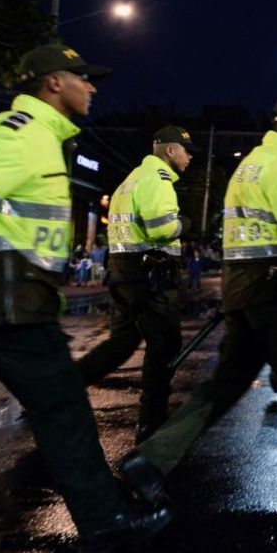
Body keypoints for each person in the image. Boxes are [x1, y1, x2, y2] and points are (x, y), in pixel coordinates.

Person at [0, 44, 169, 553]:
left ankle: (105, 517)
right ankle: (106, 522)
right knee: (64, 408)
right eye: (83, 78)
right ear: (53, 82)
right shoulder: (22, 134)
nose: (92, 87)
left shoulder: (40, 137)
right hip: (4, 302)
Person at [118, 93, 277, 532]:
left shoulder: (250, 163)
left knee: (225, 384)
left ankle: (151, 459)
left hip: (242, 284)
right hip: (273, 285)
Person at [78, 125, 195, 441]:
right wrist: (184, 224)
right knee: (164, 346)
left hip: (123, 271)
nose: (190, 157)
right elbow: (160, 228)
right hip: (151, 276)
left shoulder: (129, 181)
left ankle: (64, 388)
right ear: (170, 150)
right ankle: (152, 421)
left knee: (121, 342)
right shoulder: (158, 180)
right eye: (186, 150)